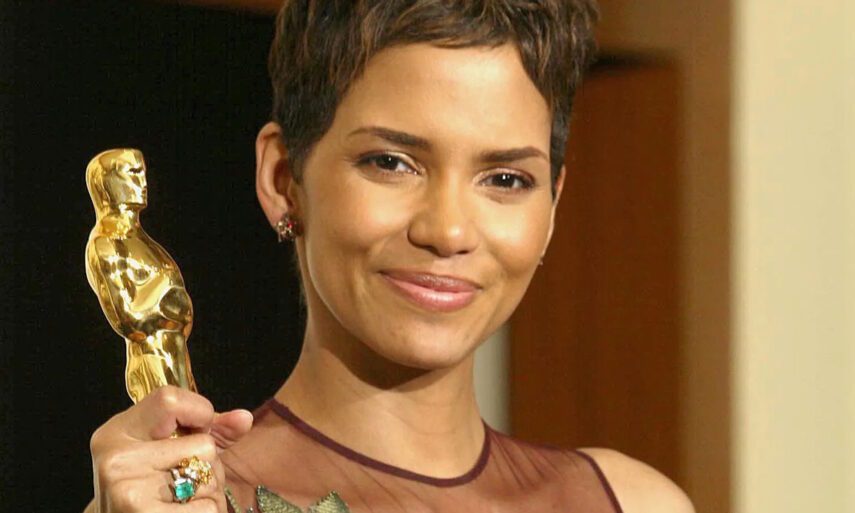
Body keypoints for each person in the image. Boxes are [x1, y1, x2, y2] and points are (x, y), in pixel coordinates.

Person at [85, 1, 695, 512]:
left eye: (506, 179)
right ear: (283, 180)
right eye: (391, 163)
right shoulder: (184, 501)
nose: (448, 231)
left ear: (552, 206)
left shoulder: (631, 502)